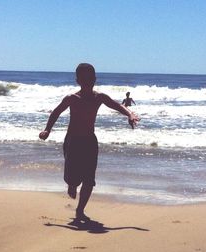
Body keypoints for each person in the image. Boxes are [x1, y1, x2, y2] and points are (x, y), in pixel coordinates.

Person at [39, 63, 139, 221]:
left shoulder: (99, 97)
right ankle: (72, 185)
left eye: (90, 78)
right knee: (73, 178)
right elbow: (56, 112)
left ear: (95, 79)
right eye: (84, 79)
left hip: (90, 142)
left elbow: (117, 105)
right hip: (72, 142)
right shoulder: (72, 98)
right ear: (78, 80)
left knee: (89, 180)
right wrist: (47, 130)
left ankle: (80, 210)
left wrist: (130, 114)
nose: (88, 81)